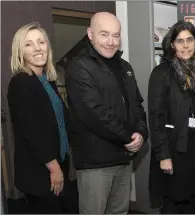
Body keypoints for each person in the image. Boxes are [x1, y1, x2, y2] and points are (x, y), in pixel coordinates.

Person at [65, 12, 148, 214]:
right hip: (96, 164)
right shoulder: (79, 66)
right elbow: (94, 112)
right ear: (90, 34)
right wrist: (129, 137)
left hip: (124, 158)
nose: (111, 42)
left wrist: (142, 133)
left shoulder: (125, 67)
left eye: (116, 35)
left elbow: (137, 105)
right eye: (104, 34)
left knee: (120, 211)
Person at [7, 22, 78, 214]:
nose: (38, 48)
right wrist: (54, 168)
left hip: (56, 164)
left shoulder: (47, 81)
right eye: (29, 44)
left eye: (41, 42)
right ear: (19, 51)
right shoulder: (20, 82)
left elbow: (60, 122)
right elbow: (32, 132)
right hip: (40, 171)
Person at [148, 20, 195, 214]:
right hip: (172, 149)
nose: (186, 45)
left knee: (191, 202)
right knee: (172, 203)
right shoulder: (162, 73)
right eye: (180, 41)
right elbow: (156, 117)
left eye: (189, 39)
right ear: (172, 44)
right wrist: (163, 156)